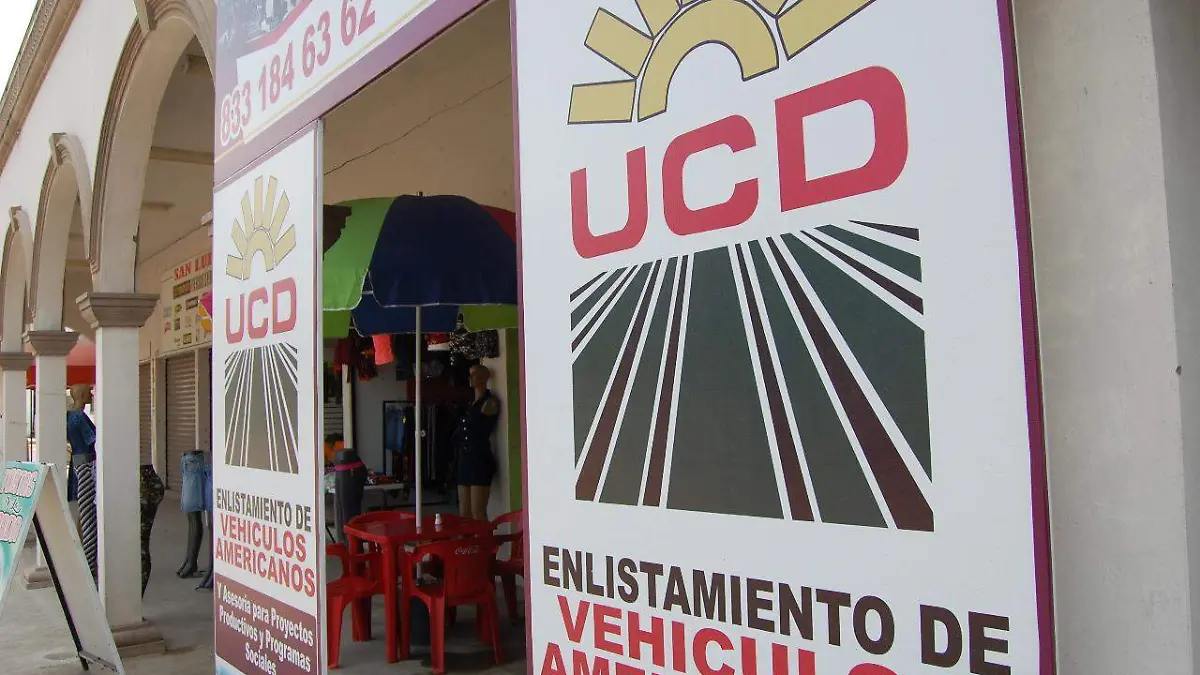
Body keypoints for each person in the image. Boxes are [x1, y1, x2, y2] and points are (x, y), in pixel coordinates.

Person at [452, 365, 500, 521]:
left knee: (478, 512)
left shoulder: (490, 401)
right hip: (465, 458)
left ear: (483, 378)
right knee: (464, 512)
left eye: (474, 374)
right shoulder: (471, 403)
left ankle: (484, 538)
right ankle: (468, 538)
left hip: (479, 458)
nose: (470, 378)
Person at [65, 384, 98, 580]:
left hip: (78, 462)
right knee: (87, 512)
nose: (92, 395)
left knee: (83, 510)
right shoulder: (78, 417)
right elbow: (93, 440)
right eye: (89, 393)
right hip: (86, 465)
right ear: (82, 395)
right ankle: (87, 557)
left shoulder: (71, 416)